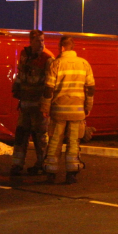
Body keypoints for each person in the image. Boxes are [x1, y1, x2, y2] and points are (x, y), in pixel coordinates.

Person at [40, 36, 95, 184]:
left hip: (58, 111)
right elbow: (90, 89)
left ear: (62, 48)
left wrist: (45, 107)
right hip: (77, 112)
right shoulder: (84, 64)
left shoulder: (56, 64)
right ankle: (71, 173)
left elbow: (48, 90)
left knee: (55, 141)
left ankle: (51, 173)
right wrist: (88, 107)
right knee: (73, 142)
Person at [10, 30, 54, 176]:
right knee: (21, 134)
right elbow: (20, 74)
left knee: (40, 136)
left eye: (42, 40)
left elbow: (50, 84)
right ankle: (17, 164)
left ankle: (42, 164)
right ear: (31, 41)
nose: (41, 43)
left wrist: (46, 104)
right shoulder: (25, 55)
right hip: (25, 104)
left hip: (39, 106)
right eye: (38, 41)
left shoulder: (48, 59)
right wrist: (16, 87)